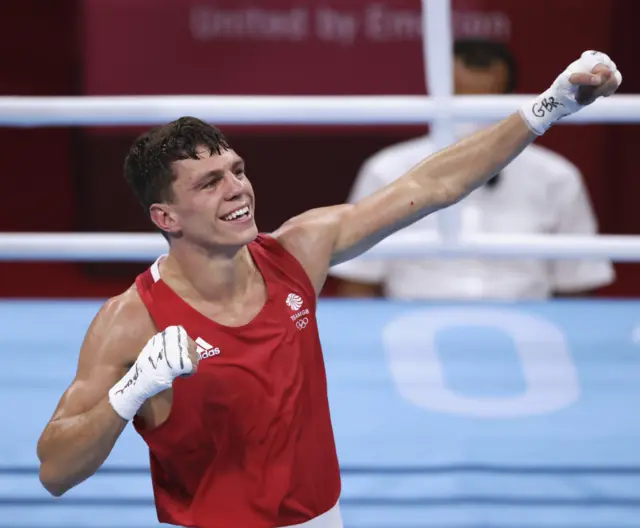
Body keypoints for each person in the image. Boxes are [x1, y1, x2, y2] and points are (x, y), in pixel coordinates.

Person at [36, 51, 621, 528]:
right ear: (166, 217)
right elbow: (56, 471)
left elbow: (432, 183)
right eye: (210, 183)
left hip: (323, 519)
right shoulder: (131, 321)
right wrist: (131, 391)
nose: (237, 190)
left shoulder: (299, 250)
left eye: (237, 170)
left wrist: (552, 105)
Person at [331, 40, 615, 300]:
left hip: (530, 329)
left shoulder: (558, 176)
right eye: (460, 100)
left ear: (512, 97)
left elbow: (577, 288)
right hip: (411, 327)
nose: (473, 122)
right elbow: (359, 283)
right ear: (436, 95)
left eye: (487, 102)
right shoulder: (387, 169)